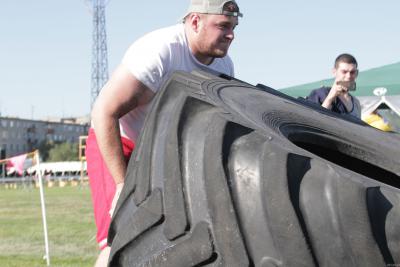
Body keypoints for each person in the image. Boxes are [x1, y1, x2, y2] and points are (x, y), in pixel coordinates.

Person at [85, 0, 242, 266]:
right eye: (223, 26)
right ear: (195, 21)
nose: (231, 35)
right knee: (118, 239)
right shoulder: (159, 51)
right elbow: (103, 112)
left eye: (234, 27)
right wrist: (123, 185)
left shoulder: (223, 66)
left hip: (161, 154)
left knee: (172, 237)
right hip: (118, 143)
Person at [307, 53, 361, 118]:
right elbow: (312, 120)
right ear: (334, 72)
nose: (348, 76)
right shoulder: (320, 94)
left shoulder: (356, 102)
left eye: (352, 72)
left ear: (356, 73)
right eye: (344, 72)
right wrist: (330, 97)